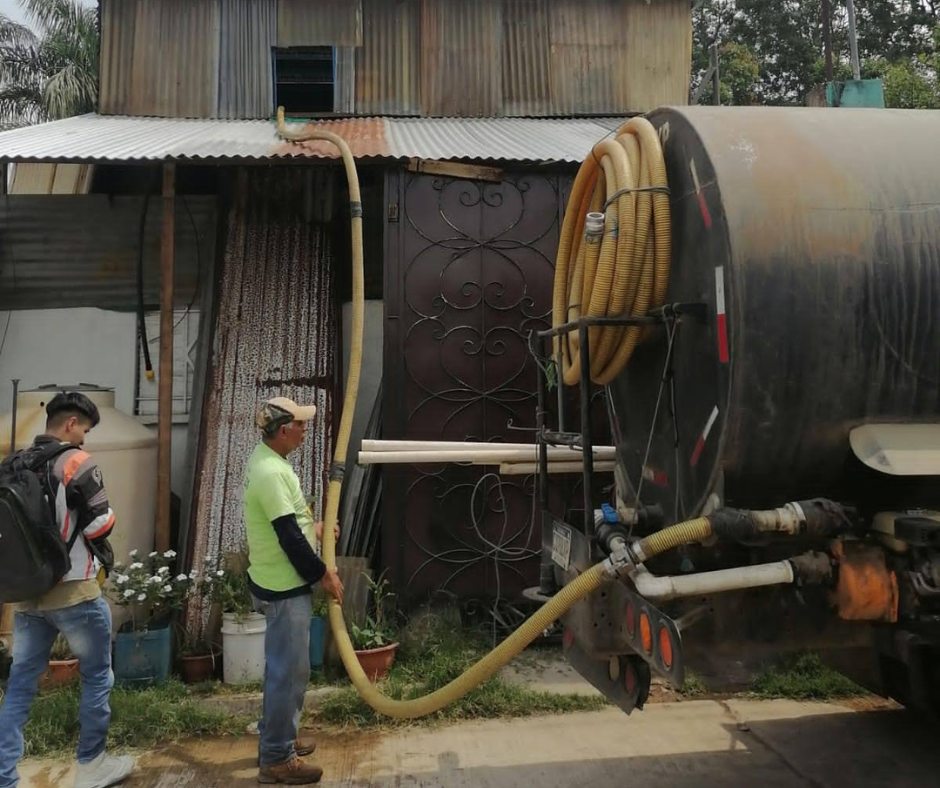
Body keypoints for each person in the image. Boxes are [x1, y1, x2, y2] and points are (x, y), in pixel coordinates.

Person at [0, 392, 133, 788]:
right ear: (71, 423)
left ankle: (5, 776)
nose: (85, 441)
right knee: (97, 676)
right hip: (75, 591)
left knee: (21, 684)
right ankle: (91, 766)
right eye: (85, 430)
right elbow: (98, 527)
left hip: (28, 594)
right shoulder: (76, 462)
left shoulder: (13, 463)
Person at [244, 396, 344, 785]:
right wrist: (324, 574)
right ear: (284, 430)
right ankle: (276, 758)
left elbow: (285, 522)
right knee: (288, 673)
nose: (305, 430)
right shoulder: (270, 472)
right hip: (284, 586)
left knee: (284, 669)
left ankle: (278, 738)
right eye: (301, 425)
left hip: (277, 579)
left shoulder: (270, 462)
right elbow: (288, 536)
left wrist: (315, 529)